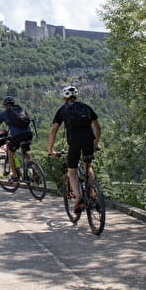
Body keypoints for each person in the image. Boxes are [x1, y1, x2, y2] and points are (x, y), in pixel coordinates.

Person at [48, 85, 101, 213]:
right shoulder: (86, 107)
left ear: (64, 97)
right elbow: (98, 128)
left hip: (74, 143)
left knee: (71, 172)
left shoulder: (62, 110)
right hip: (89, 141)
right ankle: (93, 195)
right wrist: (95, 144)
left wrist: (50, 149)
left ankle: (79, 199)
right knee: (88, 166)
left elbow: (54, 130)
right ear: (76, 96)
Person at [0, 96, 33, 182]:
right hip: (29, 134)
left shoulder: (3, 114)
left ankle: (14, 176)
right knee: (24, 152)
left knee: (10, 152)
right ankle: (35, 172)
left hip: (18, 136)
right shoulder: (21, 109)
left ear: (4, 105)